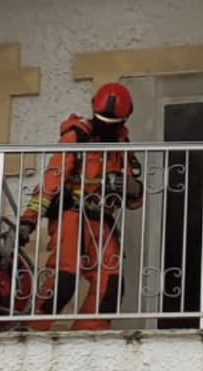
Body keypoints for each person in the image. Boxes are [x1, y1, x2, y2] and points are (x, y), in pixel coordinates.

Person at [20, 83, 143, 330]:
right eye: (103, 120)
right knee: (65, 279)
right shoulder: (76, 137)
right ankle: (31, 331)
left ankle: (88, 338)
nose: (107, 125)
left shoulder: (123, 149)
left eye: (112, 121)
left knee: (111, 283)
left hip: (102, 220)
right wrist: (28, 222)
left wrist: (133, 189)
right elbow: (50, 183)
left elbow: (134, 201)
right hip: (71, 216)